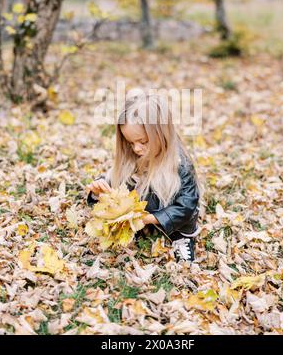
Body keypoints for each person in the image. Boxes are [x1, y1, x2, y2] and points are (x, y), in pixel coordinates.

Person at [86, 93, 203, 262]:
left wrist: (148, 219)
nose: (136, 149)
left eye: (142, 141)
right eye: (130, 143)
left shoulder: (180, 163)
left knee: (183, 220)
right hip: (142, 212)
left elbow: (186, 205)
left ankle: (182, 238)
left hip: (173, 214)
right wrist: (99, 191)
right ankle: (141, 230)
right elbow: (114, 180)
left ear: (161, 134)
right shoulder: (131, 155)